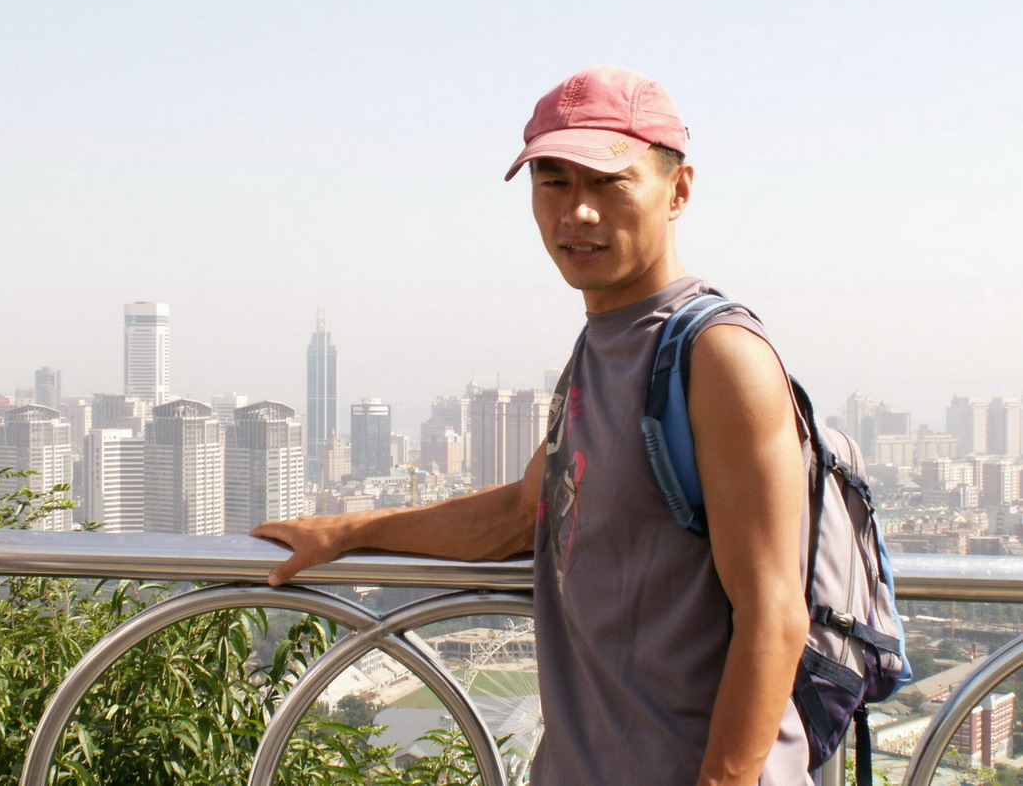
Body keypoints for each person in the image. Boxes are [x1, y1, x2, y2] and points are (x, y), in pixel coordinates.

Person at [254, 66, 812, 785]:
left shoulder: (720, 355)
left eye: (608, 183)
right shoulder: (601, 348)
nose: (577, 211)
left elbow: (774, 613)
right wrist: (347, 532)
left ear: (678, 190)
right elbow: (526, 514)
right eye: (553, 182)